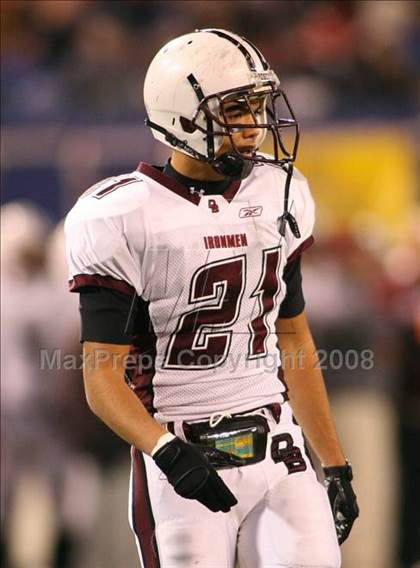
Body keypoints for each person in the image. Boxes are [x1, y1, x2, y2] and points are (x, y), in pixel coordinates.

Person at [65, 28, 359, 568]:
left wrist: (334, 463)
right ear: (182, 116)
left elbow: (293, 338)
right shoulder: (122, 215)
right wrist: (167, 454)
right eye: (238, 109)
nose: (255, 126)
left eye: (258, 106)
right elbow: (100, 377)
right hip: (182, 450)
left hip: (277, 445)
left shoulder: (278, 193)